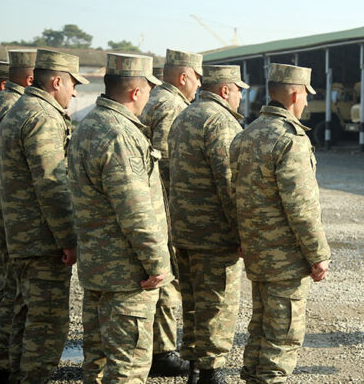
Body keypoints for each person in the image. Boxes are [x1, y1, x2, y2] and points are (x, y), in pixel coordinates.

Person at [67, 53, 171, 383]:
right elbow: (135, 210)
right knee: (127, 367)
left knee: (96, 364)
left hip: (98, 267)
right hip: (127, 274)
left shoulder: (89, 125)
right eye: (149, 91)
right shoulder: (120, 135)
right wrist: (157, 263)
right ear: (136, 92)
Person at [230, 63, 331, 383]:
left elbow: (237, 194)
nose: (306, 104)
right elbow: (301, 207)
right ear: (294, 94)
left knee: (260, 326)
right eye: (305, 97)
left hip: (257, 251)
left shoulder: (247, 133)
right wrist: (318, 254)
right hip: (284, 255)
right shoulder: (290, 139)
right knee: (283, 334)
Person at [0, 48, 87, 382]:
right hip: (41, 237)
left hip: (20, 233)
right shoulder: (42, 116)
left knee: (23, 312)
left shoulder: (18, 109)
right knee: (46, 322)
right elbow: (52, 184)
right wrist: (68, 238)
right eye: (72, 84)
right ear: (57, 81)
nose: (74, 92)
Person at [168, 64, 247, 383]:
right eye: (239, 90)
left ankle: (193, 366)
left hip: (184, 231)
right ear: (225, 90)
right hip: (215, 235)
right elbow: (229, 183)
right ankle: (211, 372)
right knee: (218, 304)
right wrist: (243, 233)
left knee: (193, 302)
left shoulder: (184, 116)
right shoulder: (221, 122)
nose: (241, 96)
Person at [141, 48, 202, 377]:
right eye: (197, 78)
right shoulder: (172, 105)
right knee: (165, 277)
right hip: (163, 207)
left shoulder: (153, 99)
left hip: (153, 204)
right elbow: (169, 163)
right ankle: (162, 350)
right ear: (184, 76)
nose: (198, 86)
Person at [0, 49, 36, 382]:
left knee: (3, 285)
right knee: (15, 291)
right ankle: (3, 362)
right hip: (13, 211)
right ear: (31, 78)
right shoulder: (14, 108)